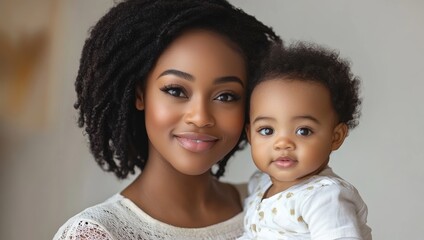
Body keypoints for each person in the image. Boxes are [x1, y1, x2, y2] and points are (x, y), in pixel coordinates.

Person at [53, 0, 280, 239]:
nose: (201, 117)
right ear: (140, 94)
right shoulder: (97, 233)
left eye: (226, 96)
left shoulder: (276, 207)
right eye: (175, 91)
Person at [239, 42, 372, 239]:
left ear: (335, 137)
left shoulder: (323, 198)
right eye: (267, 130)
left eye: (303, 131)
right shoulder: (260, 183)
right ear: (250, 135)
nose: (283, 143)